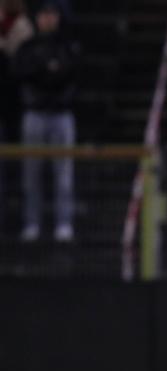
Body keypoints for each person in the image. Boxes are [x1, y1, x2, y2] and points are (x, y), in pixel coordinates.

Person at [14, 0, 79, 242]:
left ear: (58, 17)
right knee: (31, 174)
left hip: (61, 114)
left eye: (52, 14)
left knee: (63, 174)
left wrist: (49, 74)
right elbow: (23, 74)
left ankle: (64, 223)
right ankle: (32, 223)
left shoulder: (68, 46)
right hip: (34, 113)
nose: (48, 19)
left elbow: (70, 75)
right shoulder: (28, 47)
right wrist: (47, 70)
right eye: (44, 14)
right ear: (37, 18)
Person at [0, 0, 34, 229]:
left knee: (22, 164)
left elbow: (23, 63)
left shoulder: (25, 27)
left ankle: (26, 219)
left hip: (17, 104)